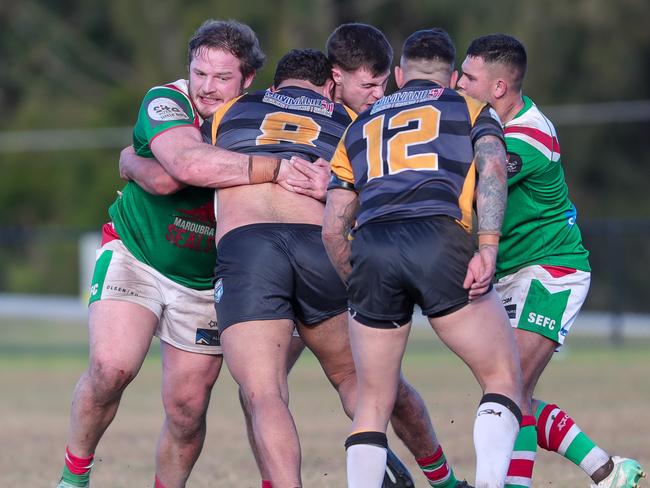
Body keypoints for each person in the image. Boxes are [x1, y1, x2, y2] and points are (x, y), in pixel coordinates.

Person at [56, 20, 276, 488]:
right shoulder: (167, 100)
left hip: (206, 278)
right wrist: (270, 170)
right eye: (200, 73)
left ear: (249, 79)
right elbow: (172, 174)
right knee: (110, 367)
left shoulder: (262, 120)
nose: (207, 88)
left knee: (186, 409)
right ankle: (73, 477)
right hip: (136, 252)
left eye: (222, 78)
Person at [323, 28, 526, 488]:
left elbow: (334, 226)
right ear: (452, 76)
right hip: (438, 236)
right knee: (501, 376)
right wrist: (488, 247)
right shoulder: (470, 108)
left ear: (398, 75)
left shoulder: (360, 124)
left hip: (372, 242)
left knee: (373, 402)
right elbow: (493, 167)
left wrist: (355, 277)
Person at [286, 23, 473, 488]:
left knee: (379, 389)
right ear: (335, 78)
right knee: (263, 387)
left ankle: (435, 478)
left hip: (347, 265)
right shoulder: (323, 119)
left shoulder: (374, 120)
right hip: (300, 262)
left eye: (383, 81)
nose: (377, 93)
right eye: (367, 84)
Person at [456, 34, 646, 488]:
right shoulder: (487, 126)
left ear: (498, 87)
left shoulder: (527, 134)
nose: (458, 84)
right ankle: (608, 470)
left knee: (510, 390)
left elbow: (481, 177)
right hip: (509, 275)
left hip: (551, 270)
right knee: (508, 393)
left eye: (468, 77)